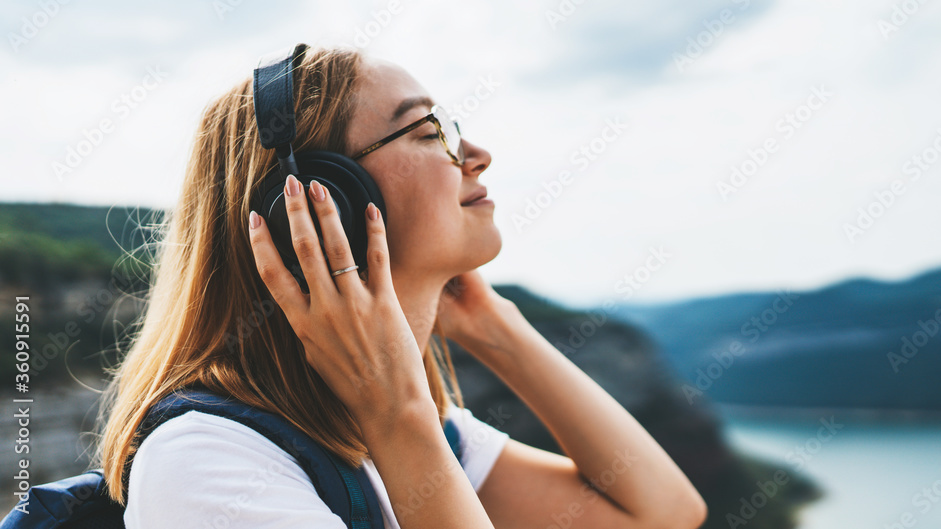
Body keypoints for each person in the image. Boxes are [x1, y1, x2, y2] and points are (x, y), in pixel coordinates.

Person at [93, 44, 708, 529]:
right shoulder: (206, 464)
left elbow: (661, 514)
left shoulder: (414, 434)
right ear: (320, 200)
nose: (477, 154)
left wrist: (495, 328)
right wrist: (396, 416)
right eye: (426, 130)